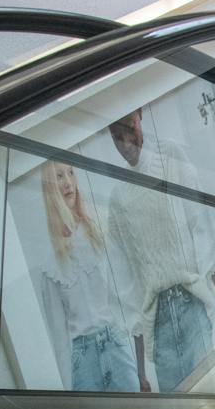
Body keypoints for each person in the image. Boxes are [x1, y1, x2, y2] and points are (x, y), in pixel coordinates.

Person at [100, 108, 215, 392]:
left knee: (209, 396)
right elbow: (127, 282)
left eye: (130, 129)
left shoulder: (172, 157)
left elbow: (202, 231)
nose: (126, 143)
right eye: (117, 137)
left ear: (139, 116)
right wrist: (140, 373)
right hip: (157, 322)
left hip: (191, 304)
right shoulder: (119, 198)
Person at [36, 161, 139, 393]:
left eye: (71, 173)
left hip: (113, 341)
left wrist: (132, 337)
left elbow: (121, 291)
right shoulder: (49, 262)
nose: (67, 182)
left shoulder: (98, 232)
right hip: (81, 359)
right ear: (50, 189)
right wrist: (68, 387)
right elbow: (58, 334)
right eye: (59, 176)